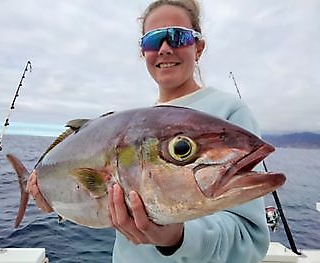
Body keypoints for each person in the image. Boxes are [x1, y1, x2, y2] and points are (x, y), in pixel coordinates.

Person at [28, 0, 270, 262]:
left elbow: (249, 241)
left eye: (177, 37)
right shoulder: (134, 124)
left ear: (198, 47)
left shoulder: (229, 111)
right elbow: (87, 198)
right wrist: (53, 197)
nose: (165, 49)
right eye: (153, 41)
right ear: (143, 52)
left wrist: (176, 237)